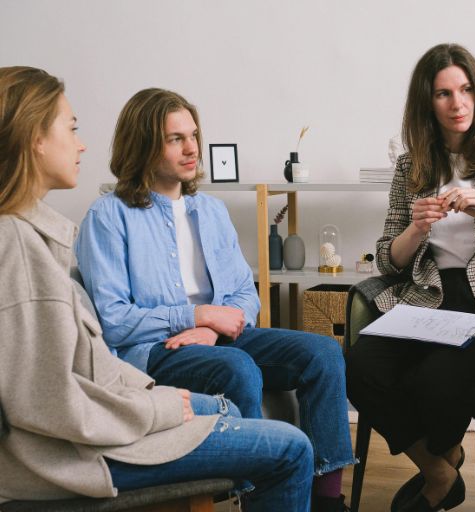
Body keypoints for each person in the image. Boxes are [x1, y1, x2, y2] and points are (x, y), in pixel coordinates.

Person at [0, 66, 313, 510]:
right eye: (71, 128)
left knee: (294, 366)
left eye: (193, 136)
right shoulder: (21, 246)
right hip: (80, 458)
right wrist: (159, 407)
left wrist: (157, 395)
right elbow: (54, 405)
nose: (81, 142)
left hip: (105, 418)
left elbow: (86, 367)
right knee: (290, 447)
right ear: (35, 138)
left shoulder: (37, 238)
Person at [73, 87, 354, 512]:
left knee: (322, 353)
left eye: (193, 135)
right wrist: (195, 315)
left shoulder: (211, 211)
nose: (192, 149)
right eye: (175, 139)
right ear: (144, 144)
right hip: (153, 351)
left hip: (218, 334)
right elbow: (113, 320)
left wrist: (208, 326)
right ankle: (256, 493)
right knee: (237, 367)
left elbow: (244, 292)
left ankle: (327, 500)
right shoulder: (108, 216)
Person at [345, 43, 475, 512]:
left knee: (432, 382)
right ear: (427, 102)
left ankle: (441, 467)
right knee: (360, 366)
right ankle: (441, 469)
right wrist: (416, 228)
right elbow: (388, 260)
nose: (457, 104)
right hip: (428, 295)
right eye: (443, 94)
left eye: (465, 90)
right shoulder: (411, 165)